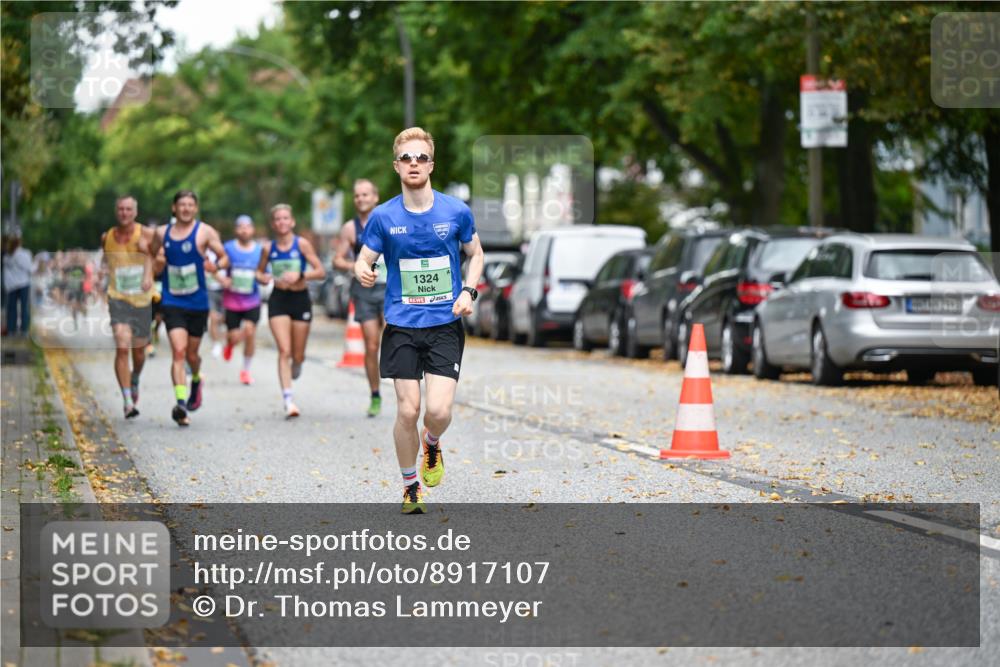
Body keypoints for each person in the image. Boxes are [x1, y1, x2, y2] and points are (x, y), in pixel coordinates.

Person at [354, 127, 484, 514]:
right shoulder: (383, 216)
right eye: (406, 158)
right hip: (402, 325)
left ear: (431, 165)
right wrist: (362, 270)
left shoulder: (456, 211)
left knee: (438, 412)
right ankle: (411, 486)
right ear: (396, 166)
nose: (414, 163)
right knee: (408, 410)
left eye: (421, 157)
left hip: (444, 324)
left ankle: (431, 442)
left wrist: (468, 291)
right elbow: (364, 257)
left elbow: (476, 254)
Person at [148, 190, 229, 426]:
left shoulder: (205, 232)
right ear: (174, 208)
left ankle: (196, 378)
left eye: (190, 205)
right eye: (181, 204)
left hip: (197, 303)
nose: (185, 208)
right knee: (179, 351)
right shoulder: (161, 233)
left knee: (192, 355)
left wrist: (216, 266)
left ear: (196, 208)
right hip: (172, 301)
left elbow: (224, 257)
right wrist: (156, 266)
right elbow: (151, 256)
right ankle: (181, 403)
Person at [255, 204, 325, 418]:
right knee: (284, 350)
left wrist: (301, 275)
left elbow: (320, 271)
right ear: (273, 224)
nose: (282, 222)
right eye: (277, 218)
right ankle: (288, 400)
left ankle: (298, 362)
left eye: (285, 218)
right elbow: (258, 272)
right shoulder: (268, 248)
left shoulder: (302, 244)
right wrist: (263, 277)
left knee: (297, 354)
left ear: (292, 222)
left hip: (300, 299)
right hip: (278, 300)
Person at [333, 178, 386, 417]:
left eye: (365, 194)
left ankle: (404, 389)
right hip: (364, 290)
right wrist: (355, 265)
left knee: (396, 339)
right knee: (371, 345)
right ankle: (375, 394)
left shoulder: (388, 220)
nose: (361, 199)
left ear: (375, 197)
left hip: (390, 288)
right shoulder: (350, 228)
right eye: (357, 195)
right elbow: (337, 259)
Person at [100, 195, 154, 418]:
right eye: (121, 209)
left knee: (138, 352)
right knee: (122, 347)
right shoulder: (107, 237)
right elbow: (106, 262)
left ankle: (135, 378)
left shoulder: (147, 234)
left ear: (135, 212)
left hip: (142, 300)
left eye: (128, 209)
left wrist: (148, 272)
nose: (124, 213)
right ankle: (127, 401)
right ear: (116, 212)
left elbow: (159, 257)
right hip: (118, 297)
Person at [221, 214, 263, 385]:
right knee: (234, 337)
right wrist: (222, 279)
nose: (244, 230)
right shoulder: (228, 248)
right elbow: (216, 267)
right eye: (240, 227)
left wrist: (263, 278)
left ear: (252, 229)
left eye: (247, 226)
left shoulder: (259, 250)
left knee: (250, 332)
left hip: (252, 300)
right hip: (231, 301)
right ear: (236, 230)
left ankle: (245, 370)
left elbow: (264, 272)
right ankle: (230, 343)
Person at [2, 236, 33, 337]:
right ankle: (24, 330)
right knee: (24, 307)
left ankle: (11, 329)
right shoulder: (24, 254)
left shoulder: (7, 256)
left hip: (11, 285)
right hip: (23, 283)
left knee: (11, 308)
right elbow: (29, 268)